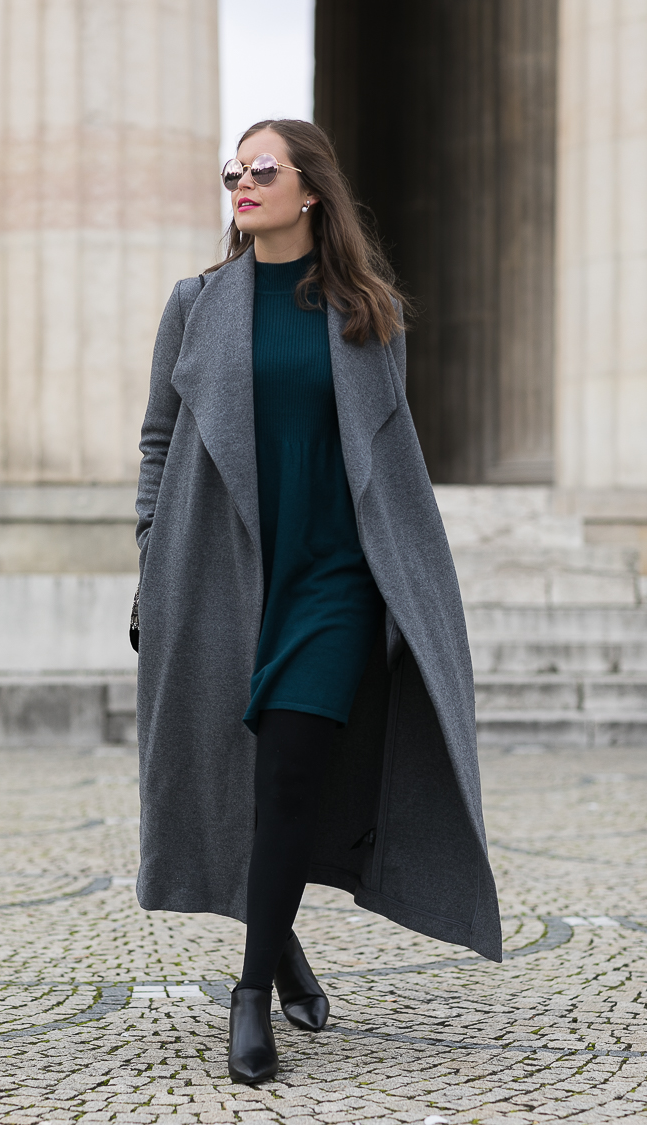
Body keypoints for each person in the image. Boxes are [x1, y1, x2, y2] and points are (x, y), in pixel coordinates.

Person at [133, 119, 501, 1085]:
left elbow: (388, 463)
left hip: (334, 581)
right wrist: (152, 554)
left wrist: (406, 584)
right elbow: (159, 443)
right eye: (234, 171)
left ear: (311, 191)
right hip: (220, 574)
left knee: (291, 776)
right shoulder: (196, 304)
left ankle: (250, 994)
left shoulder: (370, 314)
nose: (242, 184)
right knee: (232, 778)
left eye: (263, 169)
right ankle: (282, 939)